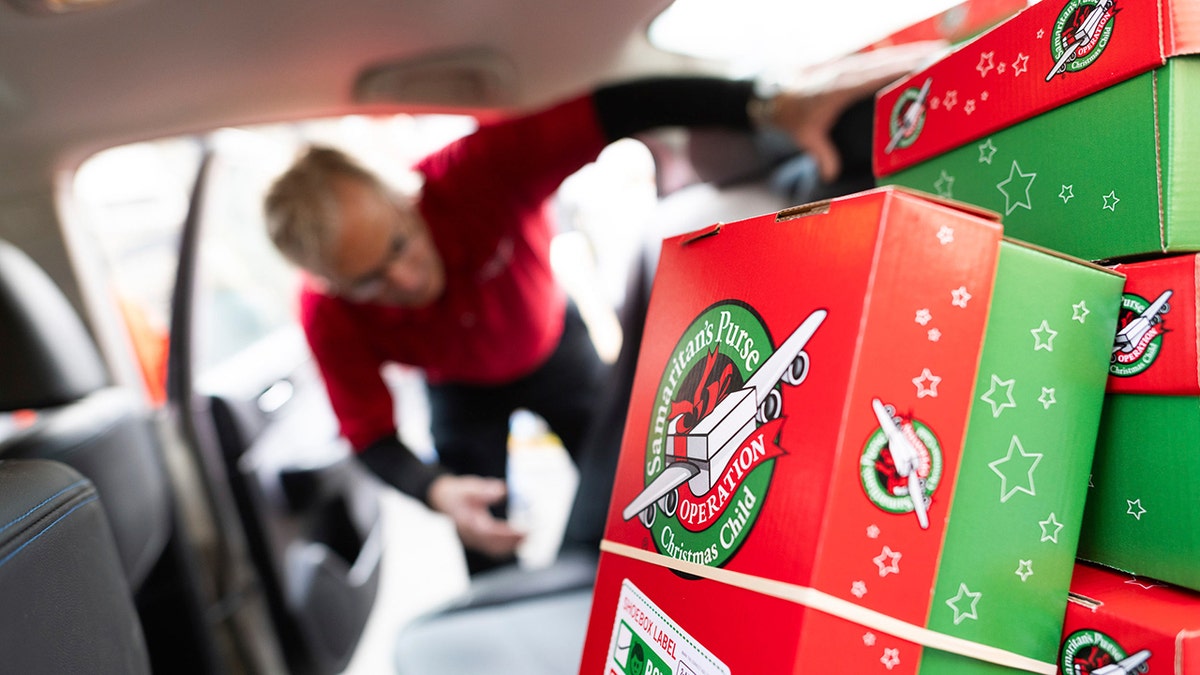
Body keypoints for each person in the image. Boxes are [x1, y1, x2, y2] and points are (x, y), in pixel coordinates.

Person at [263, 54, 931, 574]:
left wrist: (767, 106)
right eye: (370, 282)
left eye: (400, 246)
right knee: (482, 535)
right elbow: (369, 429)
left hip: (555, 345)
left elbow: (615, 108)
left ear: (405, 199)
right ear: (331, 284)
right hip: (458, 388)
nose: (405, 281)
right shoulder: (326, 313)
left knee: (637, 492)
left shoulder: (475, 172)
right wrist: (436, 492)